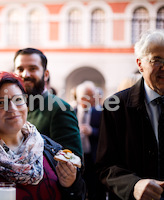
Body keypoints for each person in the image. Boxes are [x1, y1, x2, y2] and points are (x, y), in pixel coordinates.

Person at [96, 29, 164, 200]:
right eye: (157, 60)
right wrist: (133, 185)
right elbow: (105, 167)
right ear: (140, 64)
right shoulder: (115, 106)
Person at [13, 48, 82, 158]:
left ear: (45, 74)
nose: (25, 75)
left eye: (32, 69)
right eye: (20, 69)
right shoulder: (12, 107)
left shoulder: (60, 108)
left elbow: (73, 161)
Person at [75, 81, 102, 200]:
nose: (91, 99)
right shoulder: (72, 111)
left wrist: (92, 131)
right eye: (88, 96)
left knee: (93, 188)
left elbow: (105, 134)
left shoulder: (99, 113)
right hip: (77, 157)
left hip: (93, 157)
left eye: (93, 96)